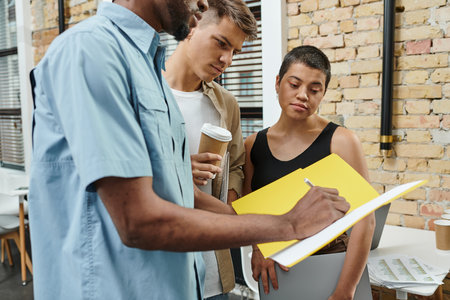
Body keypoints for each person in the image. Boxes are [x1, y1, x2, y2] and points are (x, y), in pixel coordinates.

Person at [29, 0, 350, 298]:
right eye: (222, 43)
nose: (202, 3)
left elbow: (185, 195)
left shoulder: (148, 74)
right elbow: (137, 221)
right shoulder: (92, 50)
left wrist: (274, 227)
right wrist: (287, 224)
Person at [243, 45, 375, 299]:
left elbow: (365, 220)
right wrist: (259, 249)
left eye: (314, 90)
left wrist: (345, 291)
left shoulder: (342, 141)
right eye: (294, 85)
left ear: (323, 93)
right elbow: (249, 213)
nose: (303, 95)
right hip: (277, 273)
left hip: (333, 267)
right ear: (278, 83)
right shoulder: (252, 146)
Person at [163, 1, 256, 298]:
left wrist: (228, 211)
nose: (226, 59)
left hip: (215, 272)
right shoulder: (145, 92)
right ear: (192, 26)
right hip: (164, 266)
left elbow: (237, 166)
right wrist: (176, 170)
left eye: (234, 52)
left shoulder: (226, 103)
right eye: (221, 43)